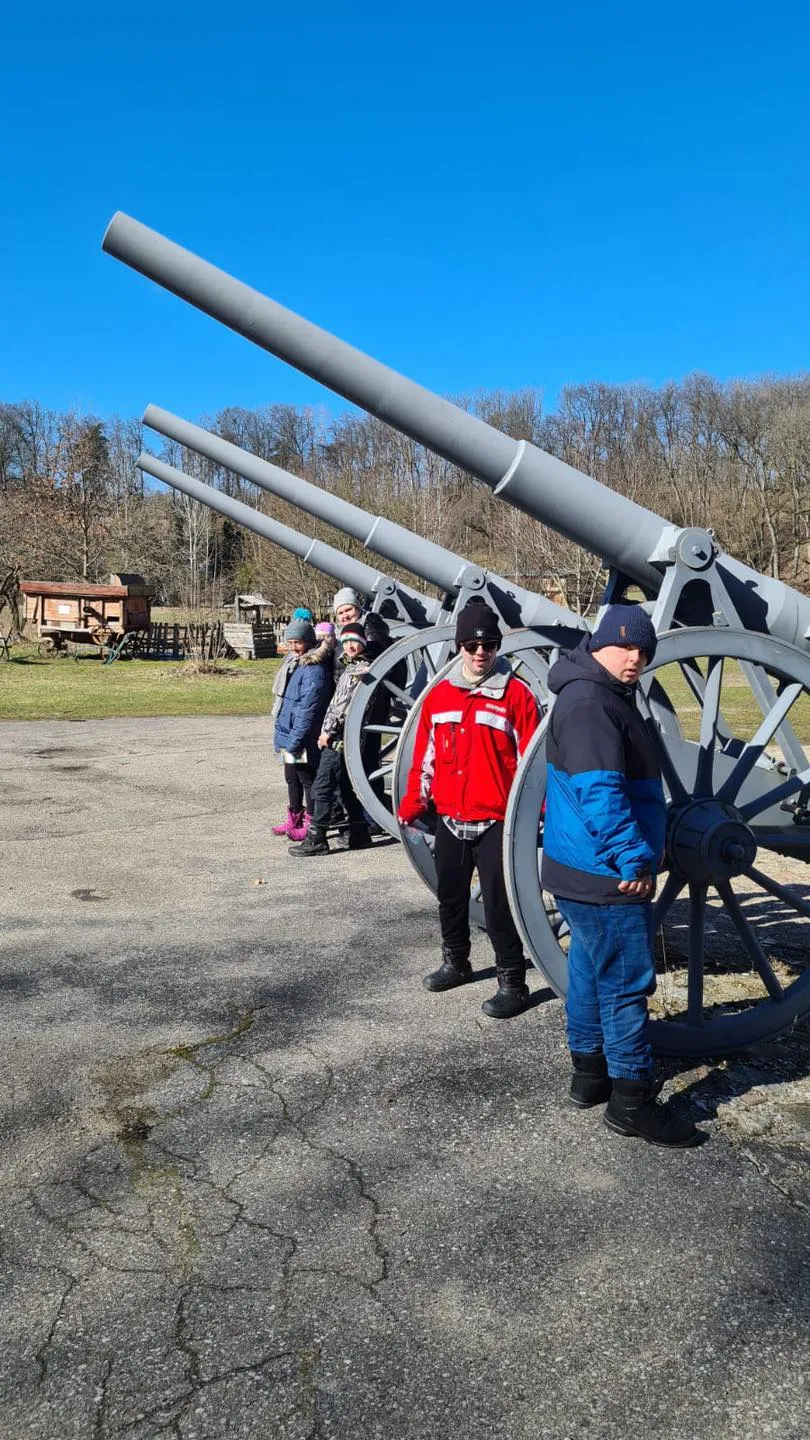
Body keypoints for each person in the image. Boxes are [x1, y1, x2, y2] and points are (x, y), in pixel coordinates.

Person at [542, 603, 701, 1148]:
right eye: (624, 646)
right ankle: (631, 1101)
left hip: (579, 868)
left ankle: (589, 1076)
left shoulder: (592, 692)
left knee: (588, 971)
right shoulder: (591, 703)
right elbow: (600, 794)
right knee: (628, 984)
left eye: (643, 650)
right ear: (599, 644)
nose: (634, 658)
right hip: (607, 870)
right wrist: (634, 858)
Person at [397, 598, 540, 1019]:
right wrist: (415, 800)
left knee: (498, 903)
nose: (481, 653)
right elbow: (425, 758)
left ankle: (513, 981)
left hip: (496, 819)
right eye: (473, 645)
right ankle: (456, 961)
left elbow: (534, 762)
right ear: (460, 646)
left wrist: (540, 811)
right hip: (451, 816)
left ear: (497, 648)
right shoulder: (439, 698)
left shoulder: (517, 696)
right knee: (451, 896)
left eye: (490, 645)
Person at [291, 621, 374, 857]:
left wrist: (327, 732)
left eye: (355, 642)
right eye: (346, 641)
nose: (349, 646)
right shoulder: (352, 667)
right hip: (345, 736)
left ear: (362, 645)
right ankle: (360, 833)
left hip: (339, 736)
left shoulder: (359, 671)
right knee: (346, 787)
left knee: (322, 786)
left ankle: (317, 838)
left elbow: (342, 706)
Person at [271, 618, 334, 841]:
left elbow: (307, 709)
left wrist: (295, 738)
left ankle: (310, 821)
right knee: (291, 777)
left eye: (298, 642)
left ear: (308, 641)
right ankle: (294, 816)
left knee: (306, 779)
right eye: (291, 642)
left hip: (302, 736)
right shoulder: (296, 662)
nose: (294, 647)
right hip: (291, 733)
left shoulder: (313, 668)